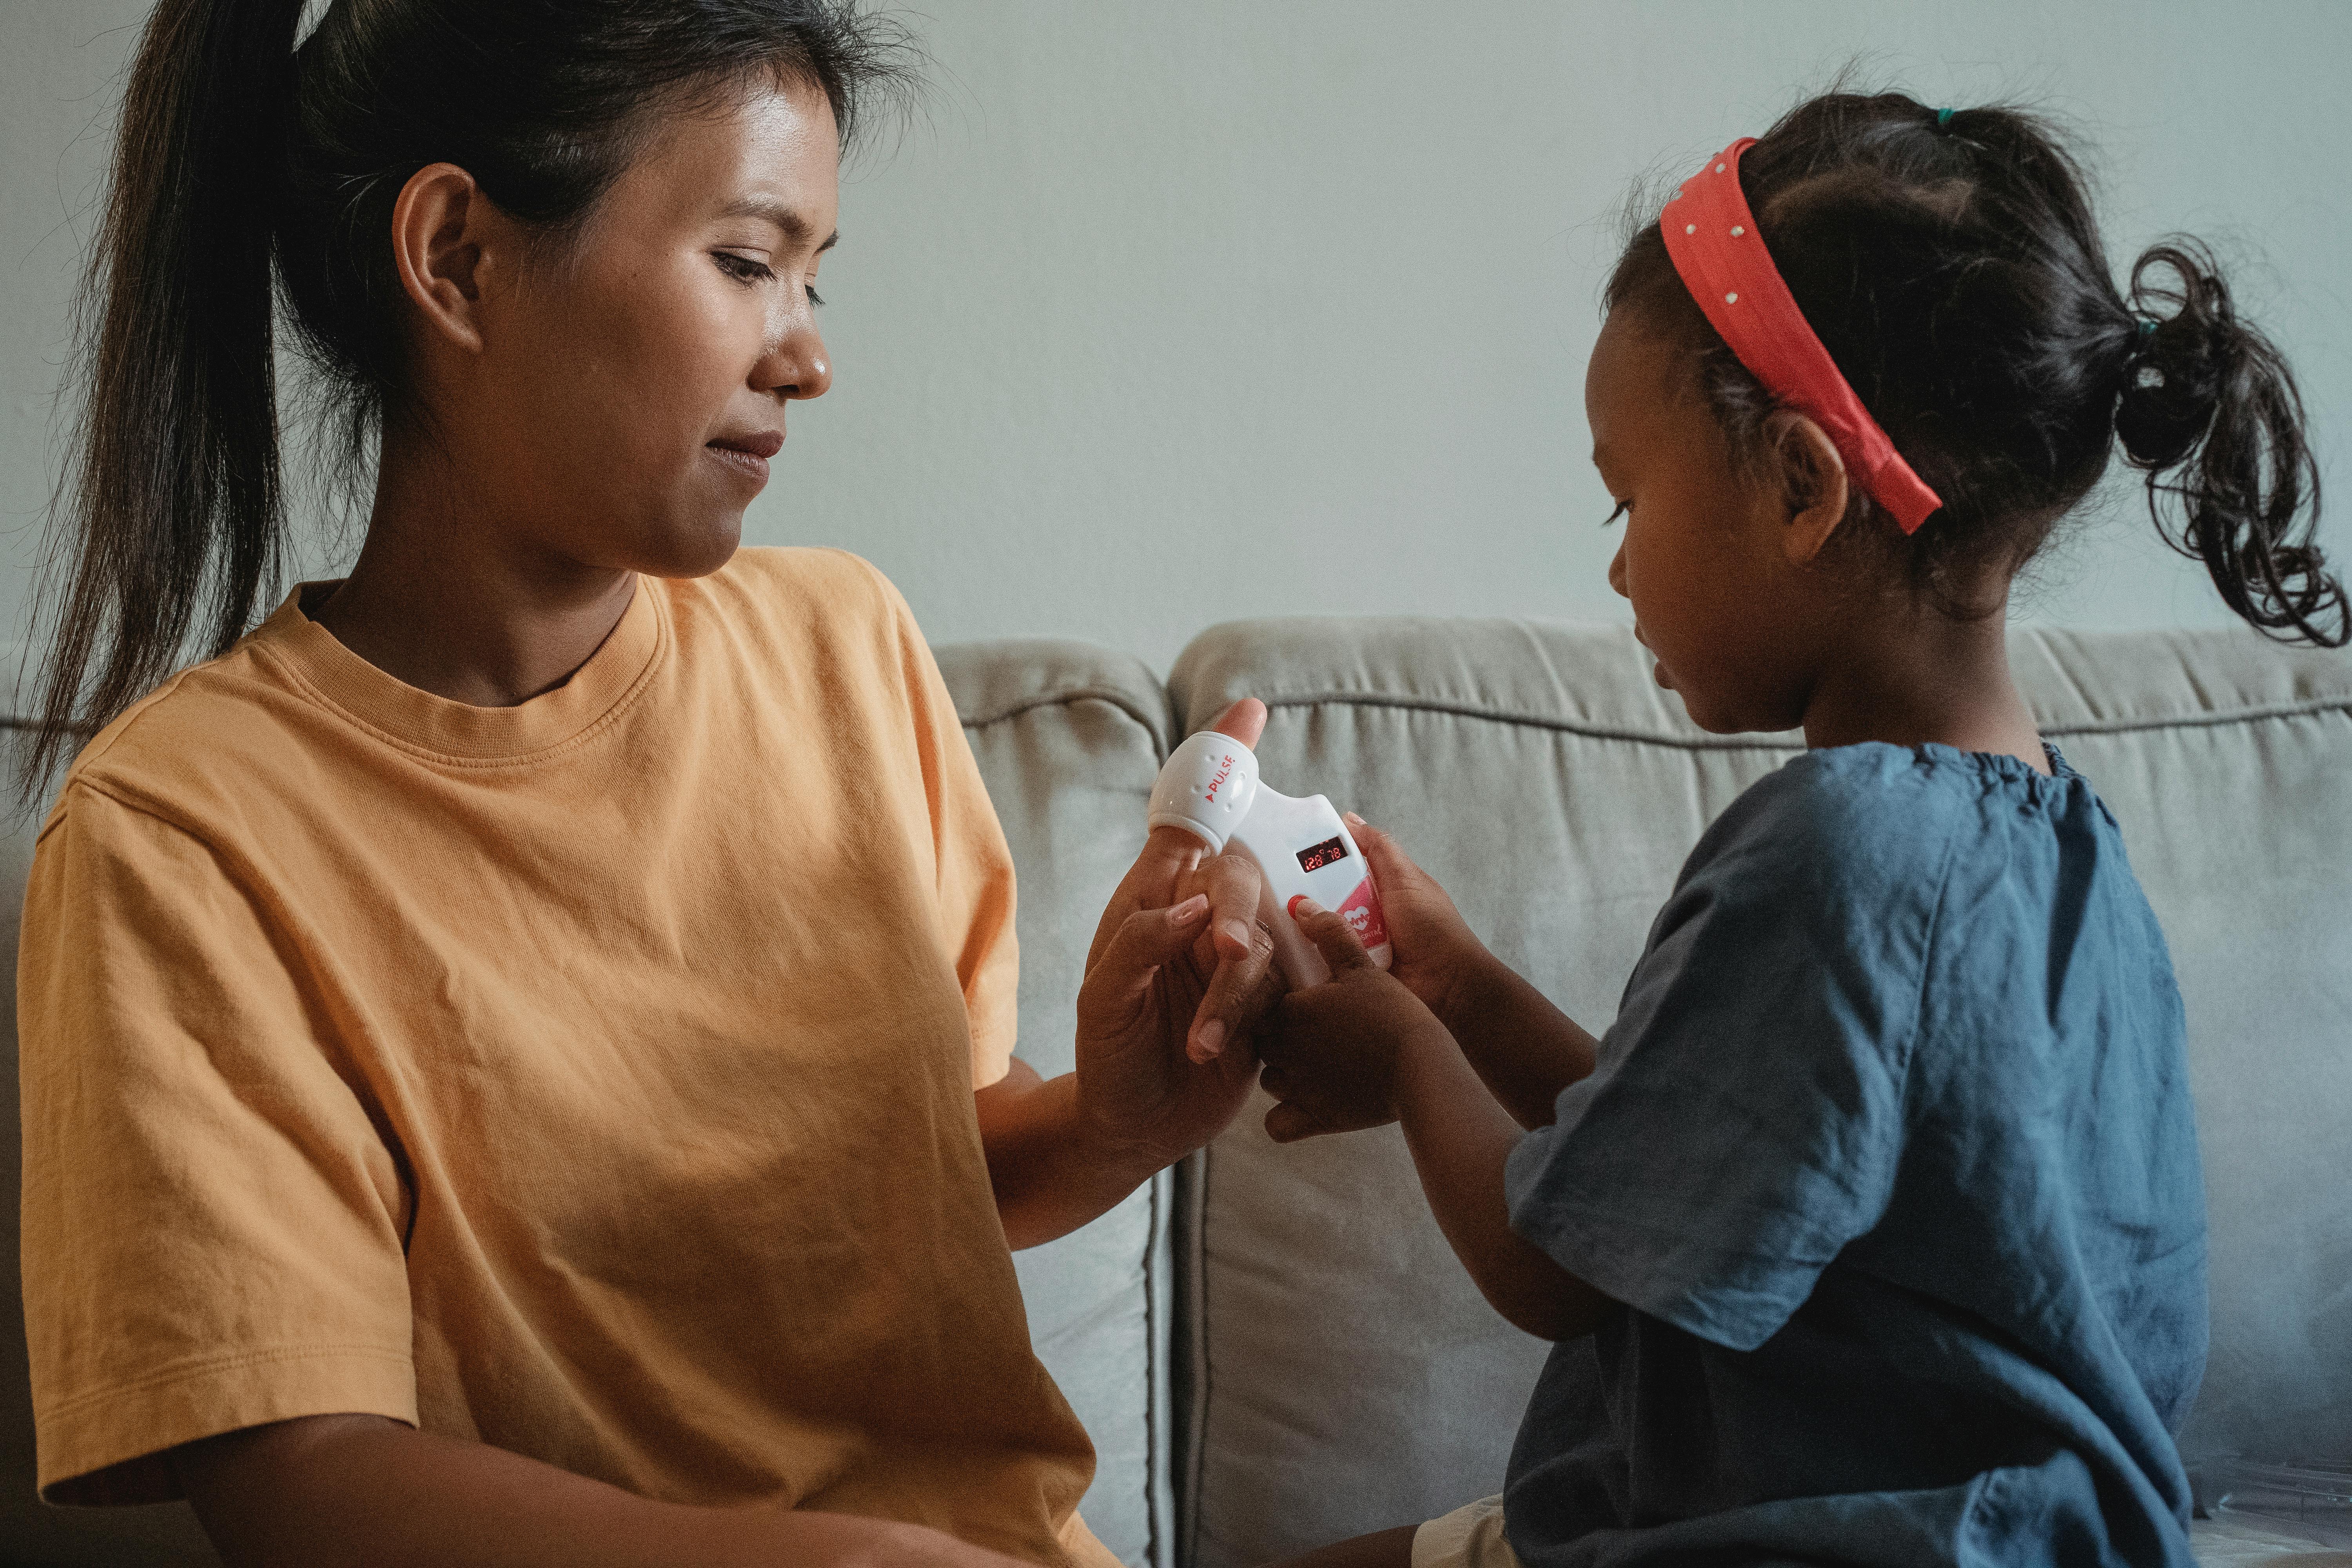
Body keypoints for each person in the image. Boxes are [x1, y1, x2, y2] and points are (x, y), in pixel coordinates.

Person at [13, 3, 1283, 1565]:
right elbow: (305, 1482)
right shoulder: (182, 835)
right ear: (459, 258)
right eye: (750, 262)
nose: (810, 353)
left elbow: (908, 1190)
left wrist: (1117, 1118)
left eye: (816, 277)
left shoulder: (846, 646)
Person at [1252, 91, 2346, 1568]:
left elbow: (1556, 1268)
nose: (1624, 569)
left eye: (1625, 502)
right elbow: (1693, 1171)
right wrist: (1457, 982)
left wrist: (1397, 1049)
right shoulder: (2065, 852)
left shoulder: (1839, 850)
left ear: (1798, 486)